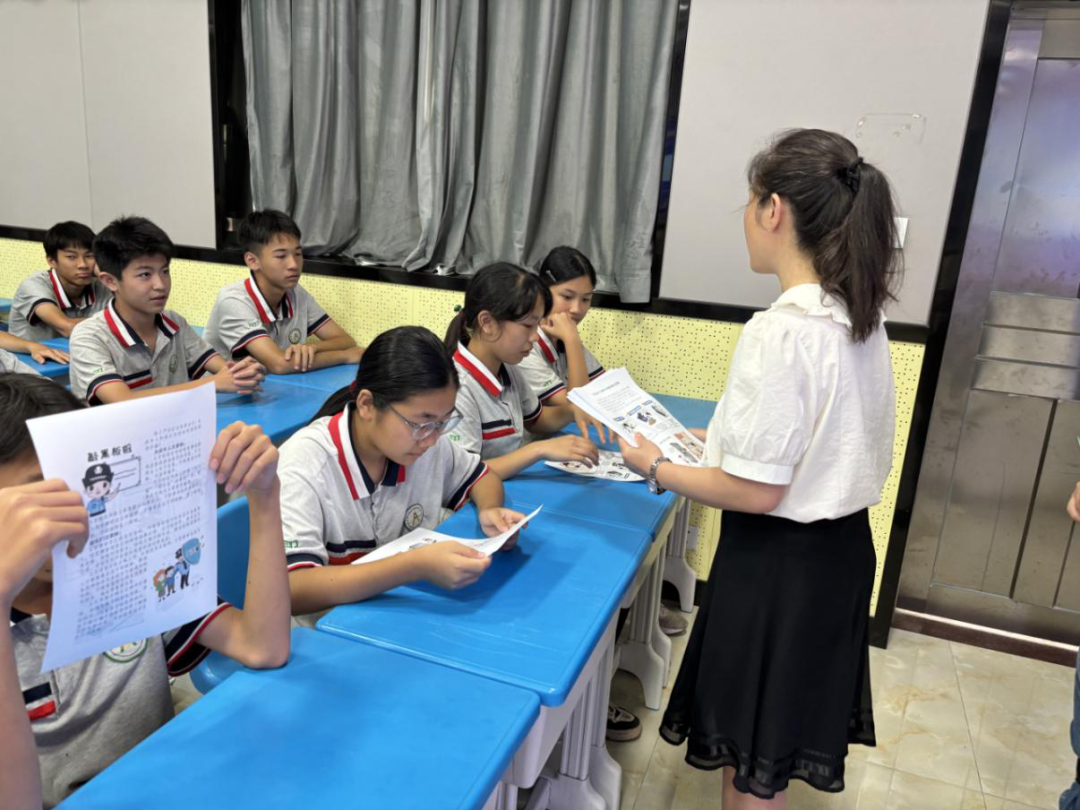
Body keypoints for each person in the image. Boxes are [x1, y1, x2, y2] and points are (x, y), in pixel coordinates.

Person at [618, 129, 901, 806]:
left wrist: (656, 466)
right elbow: (818, 440)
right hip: (839, 555)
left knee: (750, 757)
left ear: (774, 209)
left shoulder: (781, 330)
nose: (745, 217)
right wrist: (714, 440)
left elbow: (756, 490)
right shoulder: (858, 317)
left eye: (750, 202)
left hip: (778, 567)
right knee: (775, 739)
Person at [0, 373, 292, 807]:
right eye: (38, 497)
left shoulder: (126, 568)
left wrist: (264, 497)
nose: (72, 512)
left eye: (75, 483)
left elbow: (262, 646)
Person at [279, 326, 525, 618]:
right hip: (326, 630)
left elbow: (482, 477)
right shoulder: (304, 464)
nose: (432, 439)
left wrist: (489, 510)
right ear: (367, 405)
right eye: (421, 423)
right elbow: (292, 590)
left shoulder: (425, 445)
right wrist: (414, 566)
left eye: (443, 422)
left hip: (398, 614)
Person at [68, 216, 265, 404]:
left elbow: (223, 369)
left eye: (165, 271)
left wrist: (243, 372)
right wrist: (212, 384)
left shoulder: (174, 322)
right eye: (145, 274)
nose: (160, 285)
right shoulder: (89, 336)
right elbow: (122, 400)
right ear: (110, 281)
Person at [443, 263, 600, 480]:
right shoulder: (456, 387)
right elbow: (463, 473)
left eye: (537, 326)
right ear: (487, 323)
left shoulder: (508, 368)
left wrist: (574, 409)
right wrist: (539, 449)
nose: (535, 337)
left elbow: (537, 419)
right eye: (527, 326)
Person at [204, 209, 364, 373]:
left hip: (270, 384)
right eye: (281, 256)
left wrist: (313, 347)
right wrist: (345, 356)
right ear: (252, 261)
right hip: (220, 388)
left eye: (298, 254)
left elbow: (345, 340)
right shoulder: (233, 301)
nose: (293, 264)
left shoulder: (296, 293)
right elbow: (279, 364)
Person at [10, 221, 107, 341]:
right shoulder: (33, 285)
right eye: (71, 257)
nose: (83, 265)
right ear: (52, 261)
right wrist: (113, 322)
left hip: (74, 351)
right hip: (28, 353)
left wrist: (104, 272)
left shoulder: (103, 284)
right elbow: (67, 327)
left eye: (89, 256)